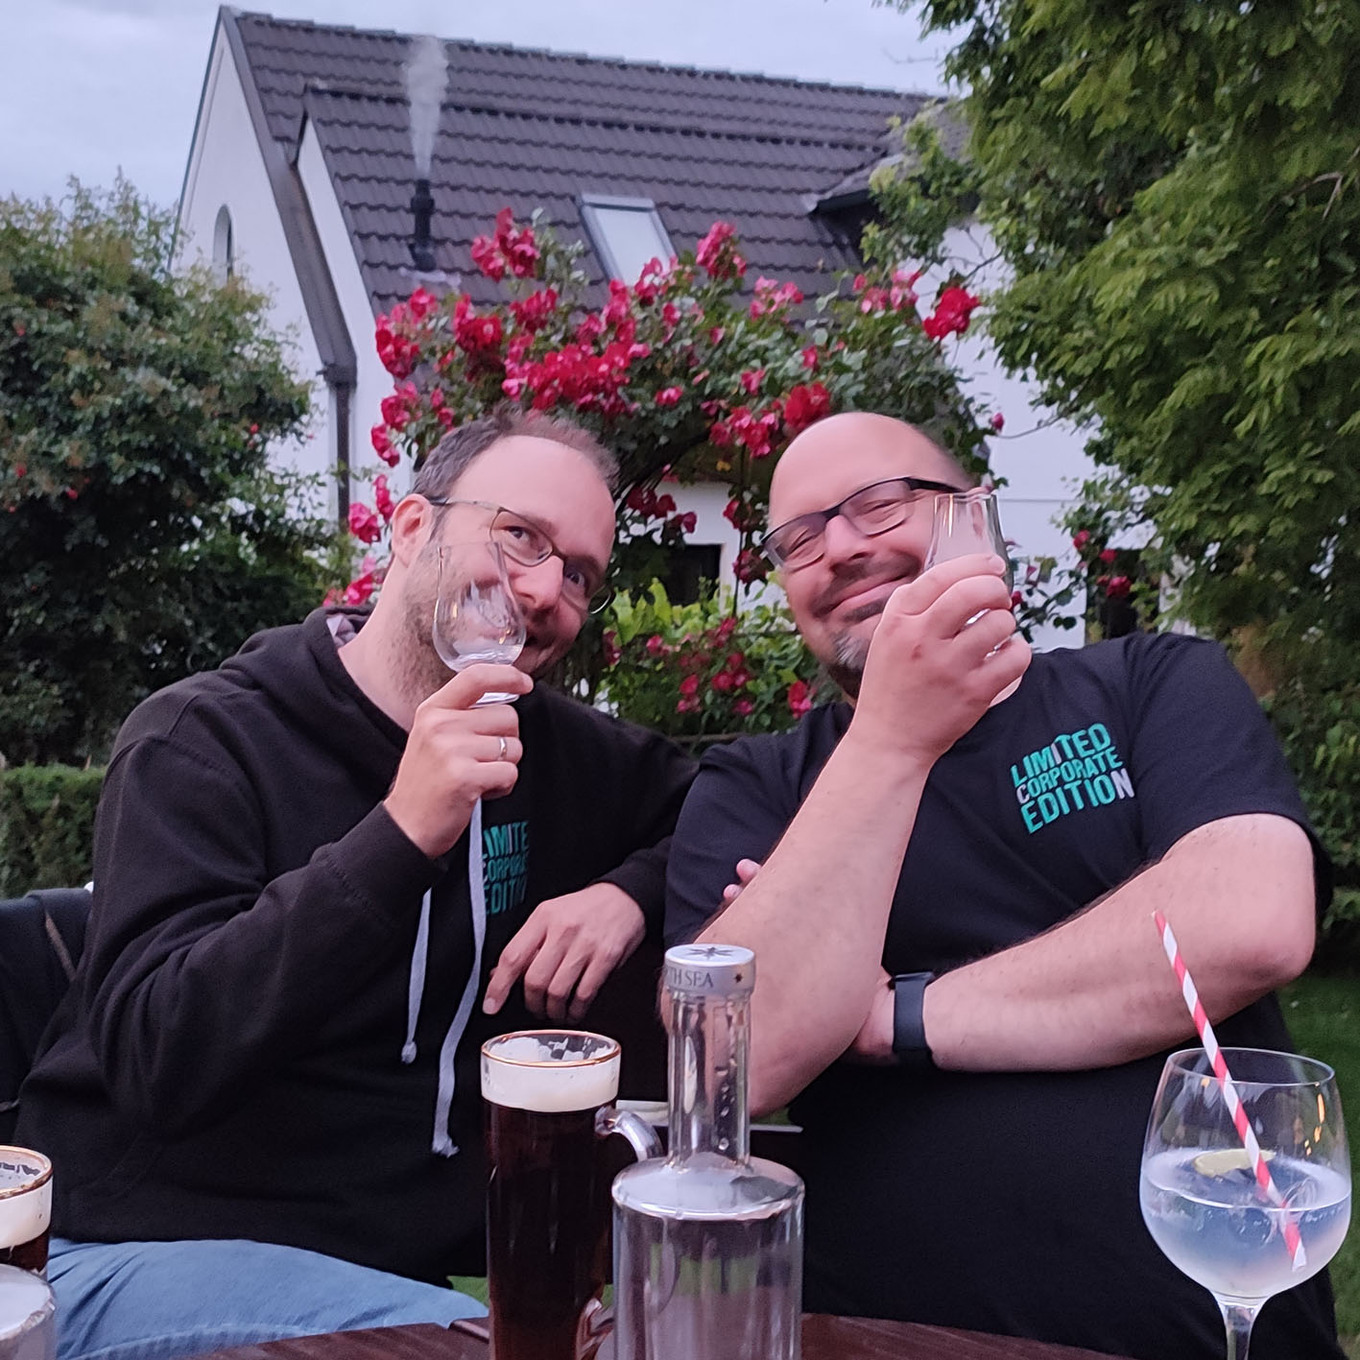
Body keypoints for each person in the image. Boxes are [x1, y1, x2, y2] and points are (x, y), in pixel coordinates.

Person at [18, 408, 695, 1360]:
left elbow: (725, 804)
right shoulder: (205, 740)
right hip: (123, 1254)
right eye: (521, 537)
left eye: (579, 573)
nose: (545, 590)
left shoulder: (560, 754)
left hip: (387, 1287)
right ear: (413, 530)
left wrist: (630, 889)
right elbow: (157, 1057)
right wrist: (400, 833)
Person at [665, 411, 1343, 1360]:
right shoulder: (757, 783)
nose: (843, 549)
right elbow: (739, 1054)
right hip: (877, 1336)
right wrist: (894, 737)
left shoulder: (1150, 683)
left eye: (879, 505)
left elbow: (1246, 922)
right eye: (800, 539)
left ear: (979, 521)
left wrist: (893, 1017)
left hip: (1207, 1327)